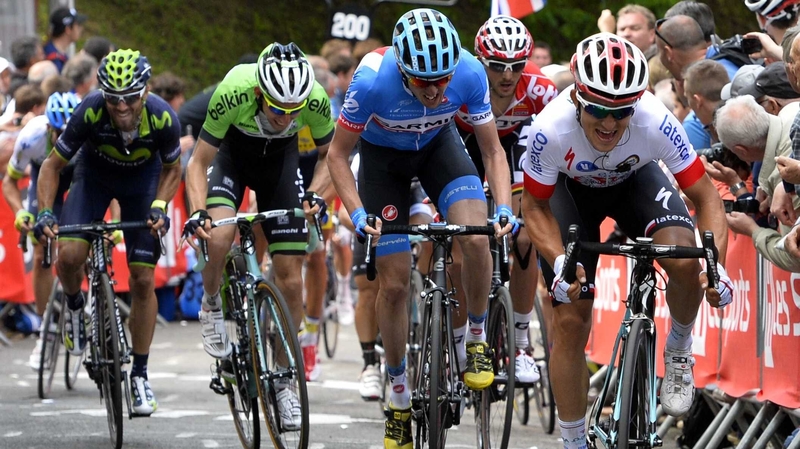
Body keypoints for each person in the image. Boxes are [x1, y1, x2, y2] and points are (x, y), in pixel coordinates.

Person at [520, 33, 733, 449]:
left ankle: (678, 349)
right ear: (578, 99)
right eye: (598, 109)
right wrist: (560, 260)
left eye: (621, 111)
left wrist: (716, 264)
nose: (610, 123)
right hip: (570, 194)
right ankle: (574, 440)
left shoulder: (654, 120)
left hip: (634, 182)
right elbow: (534, 209)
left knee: (686, 259)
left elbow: (707, 198)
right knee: (571, 317)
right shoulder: (549, 128)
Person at [326, 8, 516, 449]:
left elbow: (491, 151)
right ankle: (397, 395)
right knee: (392, 285)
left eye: (441, 80)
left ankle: (475, 335)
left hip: (438, 150)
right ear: (402, 70)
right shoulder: (371, 79)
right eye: (422, 81)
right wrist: (356, 213)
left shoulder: (469, 71)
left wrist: (502, 207)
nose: (434, 91)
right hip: (383, 165)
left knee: (475, 235)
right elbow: (337, 156)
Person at [181, 42, 333, 430]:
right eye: (277, 108)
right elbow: (198, 163)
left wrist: (317, 193)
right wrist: (199, 212)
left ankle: (283, 381)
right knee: (220, 235)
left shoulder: (313, 100)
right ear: (259, 94)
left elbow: (333, 158)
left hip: (280, 166)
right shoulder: (234, 88)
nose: (286, 117)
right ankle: (213, 302)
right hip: (233, 157)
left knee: (290, 278)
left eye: (293, 110)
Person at [32, 49, 182, 417]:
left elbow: (173, 169)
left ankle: (141, 375)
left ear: (144, 92)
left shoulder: (164, 117)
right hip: (94, 178)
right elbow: (52, 167)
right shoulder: (91, 110)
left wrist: (160, 206)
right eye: (113, 98)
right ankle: (74, 307)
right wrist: (46, 212)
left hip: (142, 184)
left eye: (130, 97)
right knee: (68, 256)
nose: (121, 106)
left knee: (144, 279)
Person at [455, 14, 557, 384]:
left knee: (526, 236)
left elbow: (557, 143)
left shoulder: (540, 89)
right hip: (465, 143)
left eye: (516, 65)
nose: (507, 75)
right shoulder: (462, 81)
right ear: (482, 61)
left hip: (515, 146)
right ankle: (457, 340)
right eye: (497, 66)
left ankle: (519, 343)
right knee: (461, 236)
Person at [3, 92, 78, 369]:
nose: (62, 139)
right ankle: (45, 333)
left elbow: (111, 185)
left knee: (81, 240)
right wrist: (21, 212)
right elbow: (10, 182)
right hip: (45, 174)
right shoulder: (31, 137)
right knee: (40, 250)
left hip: (80, 176)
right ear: (48, 127)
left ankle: (85, 308)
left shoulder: (90, 136)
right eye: (57, 132)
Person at [44, 7, 88, 73]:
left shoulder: (51, 50)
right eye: (78, 25)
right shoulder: (55, 60)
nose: (81, 29)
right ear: (68, 29)